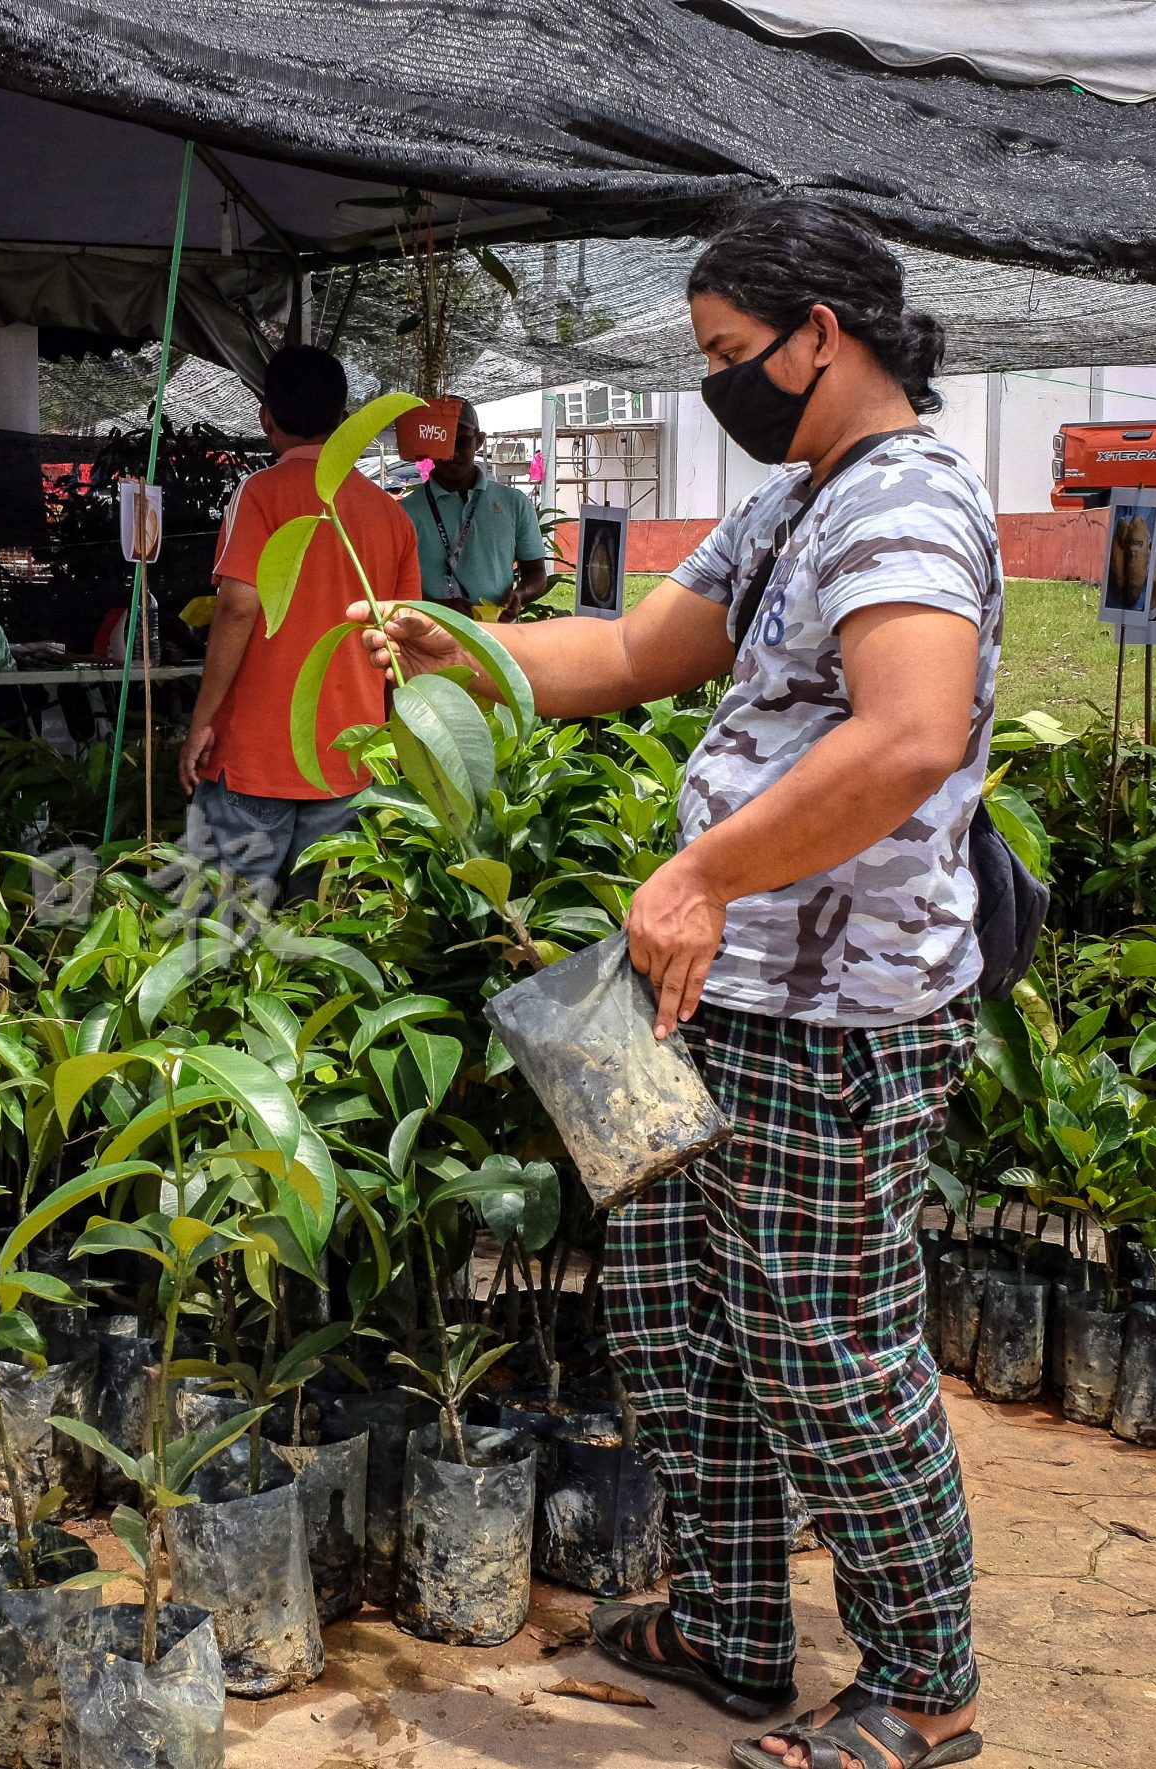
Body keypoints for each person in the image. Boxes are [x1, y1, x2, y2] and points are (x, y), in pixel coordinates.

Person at [365, 196, 997, 1769]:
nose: (718, 381)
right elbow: (639, 649)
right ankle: (728, 1621)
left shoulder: (906, 503)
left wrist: (706, 872)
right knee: (665, 1315)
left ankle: (925, 1679)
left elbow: (911, 734)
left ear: (819, 338)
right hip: (691, 996)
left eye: (728, 354)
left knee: (821, 1339)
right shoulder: (797, 498)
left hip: (830, 1015)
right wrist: (465, 648)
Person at [178, 344, 417, 898]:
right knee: (321, 935)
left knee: (229, 935)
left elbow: (239, 606)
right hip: (348, 758)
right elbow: (400, 639)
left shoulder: (259, 494)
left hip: (252, 757)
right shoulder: (391, 512)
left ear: (266, 418)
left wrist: (201, 723)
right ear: (342, 418)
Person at [394, 400, 549, 615]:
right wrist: (440, 609)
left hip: (498, 635)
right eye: (443, 442)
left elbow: (536, 572)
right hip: (432, 638)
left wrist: (520, 594)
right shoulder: (406, 513)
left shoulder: (514, 503)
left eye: (462, 442)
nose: (452, 453)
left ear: (479, 441)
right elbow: (393, 584)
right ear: (429, 445)